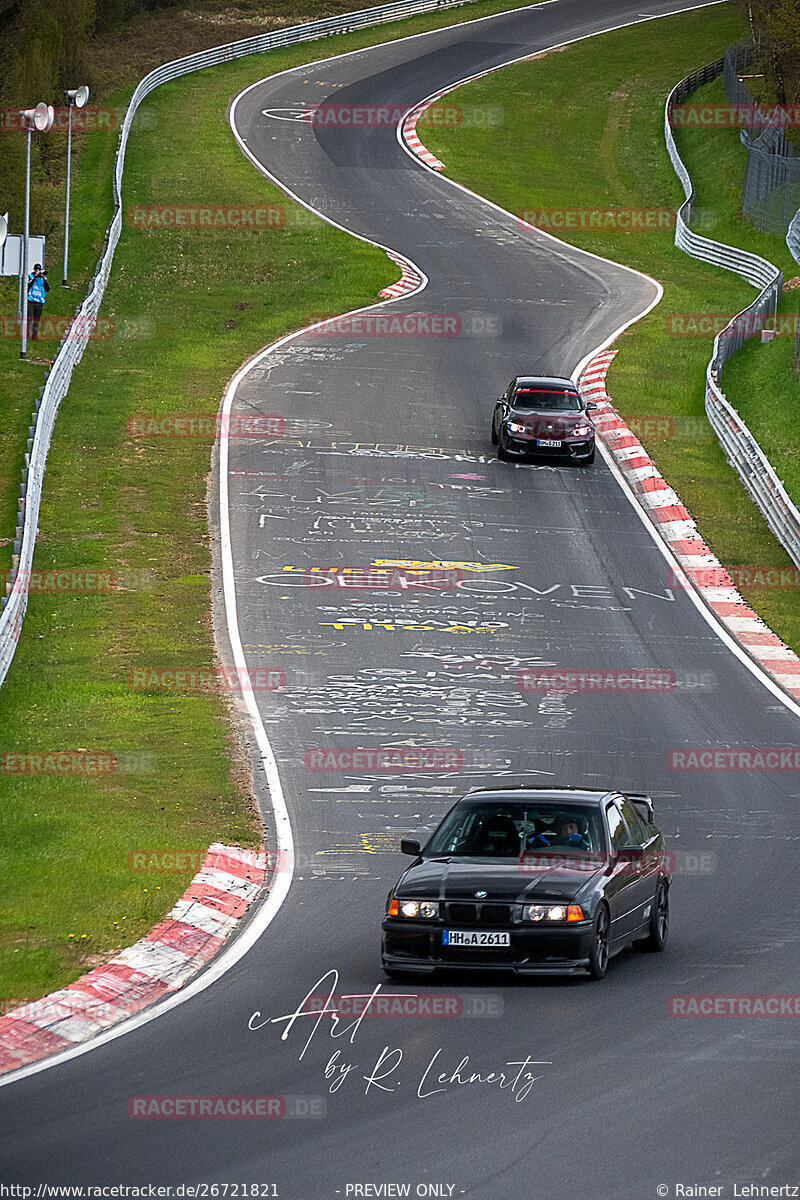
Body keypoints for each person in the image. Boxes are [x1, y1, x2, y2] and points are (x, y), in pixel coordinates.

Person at [27, 263, 49, 341]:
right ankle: (27, 335)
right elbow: (28, 286)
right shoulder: (30, 276)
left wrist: (44, 279)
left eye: (39, 270)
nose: (38, 271)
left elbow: (47, 289)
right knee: (29, 318)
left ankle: (34, 335)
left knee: (37, 319)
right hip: (31, 300)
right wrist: (35, 277)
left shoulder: (42, 278)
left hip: (39, 301)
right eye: (36, 270)